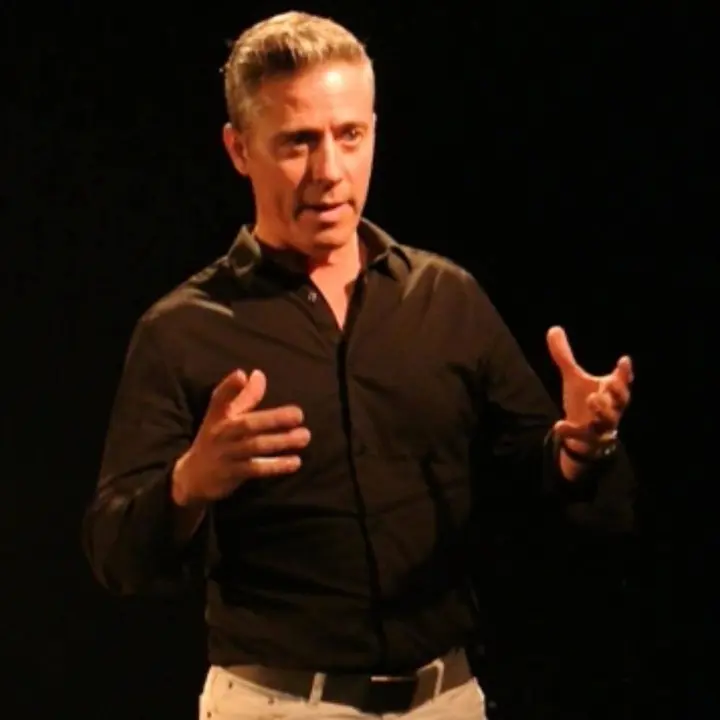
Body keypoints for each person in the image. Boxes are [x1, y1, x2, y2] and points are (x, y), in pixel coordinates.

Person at [82, 11, 636, 719]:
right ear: (239, 149)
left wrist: (584, 447)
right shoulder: (184, 330)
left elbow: (540, 476)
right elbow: (115, 554)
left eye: (350, 136)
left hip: (446, 700)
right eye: (298, 142)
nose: (330, 172)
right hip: (280, 706)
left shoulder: (444, 298)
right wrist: (189, 483)